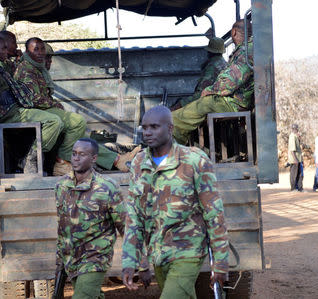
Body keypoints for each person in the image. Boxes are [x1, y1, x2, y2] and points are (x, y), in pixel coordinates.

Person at [122, 106, 229, 298]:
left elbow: (214, 213)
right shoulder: (138, 164)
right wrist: (132, 261)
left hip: (188, 250)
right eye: (144, 127)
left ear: (170, 129)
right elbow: (133, 217)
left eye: (154, 127)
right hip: (158, 253)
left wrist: (220, 261)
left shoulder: (194, 161)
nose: (147, 132)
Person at [14, 37, 139, 175]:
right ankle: (62, 162)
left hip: (44, 111)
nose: (47, 61)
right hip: (36, 112)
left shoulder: (39, 71)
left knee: (79, 134)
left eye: (48, 57)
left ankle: (116, 159)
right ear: (28, 51)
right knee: (76, 124)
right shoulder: (28, 69)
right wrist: (54, 104)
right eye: (45, 57)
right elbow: (32, 99)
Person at [55, 138, 127, 299]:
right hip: (71, 257)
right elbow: (62, 227)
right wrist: (59, 260)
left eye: (82, 154)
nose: (76, 158)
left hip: (95, 257)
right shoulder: (62, 186)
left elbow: (124, 226)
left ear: (94, 158)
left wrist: (136, 261)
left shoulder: (107, 187)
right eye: (74, 154)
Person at [0, 34, 65, 174]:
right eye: (4, 48)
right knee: (54, 121)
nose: (8, 51)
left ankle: (42, 160)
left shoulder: (2, 69)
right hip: (9, 113)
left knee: (57, 122)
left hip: (17, 109)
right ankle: (31, 158)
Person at [172, 19, 253, 145]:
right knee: (202, 104)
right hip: (237, 101)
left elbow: (228, 83)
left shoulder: (245, 51)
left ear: (234, 32)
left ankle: (170, 148)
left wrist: (209, 91)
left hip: (234, 103)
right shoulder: (246, 50)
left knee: (197, 108)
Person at [171, 37, 227, 110]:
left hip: (209, 103)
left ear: (210, 52)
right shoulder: (224, 64)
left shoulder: (212, 67)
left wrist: (180, 104)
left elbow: (201, 94)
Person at [288, 124, 303, 192]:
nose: (295, 130)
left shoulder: (296, 136)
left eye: (296, 128)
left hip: (298, 158)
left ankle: (300, 188)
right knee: (293, 174)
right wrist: (295, 159)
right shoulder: (292, 137)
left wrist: (299, 138)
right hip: (294, 159)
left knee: (299, 174)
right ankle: (293, 188)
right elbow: (292, 150)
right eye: (294, 128)